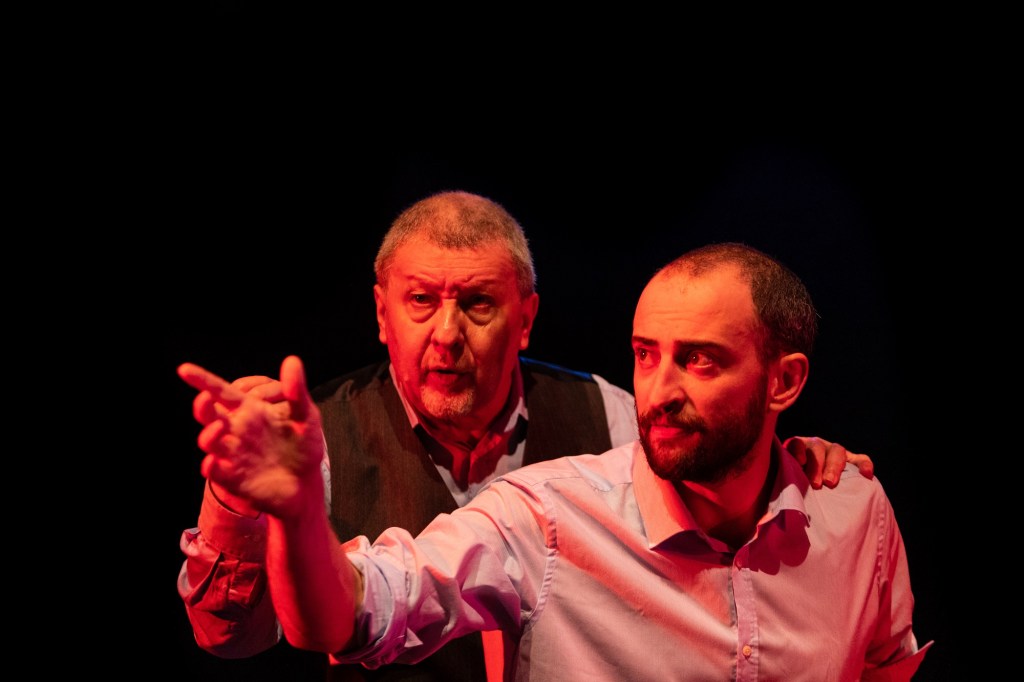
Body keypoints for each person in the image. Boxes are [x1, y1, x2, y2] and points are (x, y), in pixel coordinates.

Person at [178, 194, 875, 681]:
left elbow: (716, 469)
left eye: (477, 303)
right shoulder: (313, 438)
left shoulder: (614, 416)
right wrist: (240, 505)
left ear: (526, 319)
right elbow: (232, 640)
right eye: (421, 301)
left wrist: (792, 469)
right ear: (382, 315)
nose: (446, 334)